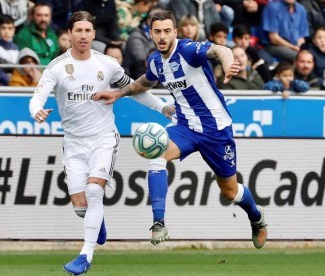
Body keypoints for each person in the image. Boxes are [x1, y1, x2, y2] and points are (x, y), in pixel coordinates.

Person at [93, 9, 268, 249]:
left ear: (175, 32)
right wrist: (118, 93)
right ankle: (159, 223)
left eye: (167, 31)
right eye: (157, 32)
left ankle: (256, 217)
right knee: (156, 154)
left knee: (229, 191)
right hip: (185, 126)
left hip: (216, 129)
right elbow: (145, 82)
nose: (162, 36)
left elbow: (221, 50)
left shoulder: (187, 50)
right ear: (151, 34)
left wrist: (228, 65)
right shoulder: (156, 61)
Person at [29, 11, 173, 275]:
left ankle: (85, 255)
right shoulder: (58, 67)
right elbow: (37, 96)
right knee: (80, 205)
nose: (83, 35)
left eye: (88, 31)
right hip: (73, 143)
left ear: (94, 34)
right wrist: (36, 110)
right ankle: (97, 222)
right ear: (70, 34)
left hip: (103, 138)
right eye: (78, 31)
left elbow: (133, 90)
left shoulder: (107, 65)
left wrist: (163, 107)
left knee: (95, 192)